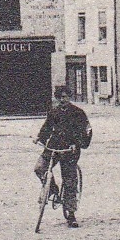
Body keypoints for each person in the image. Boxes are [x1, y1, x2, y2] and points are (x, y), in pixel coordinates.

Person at [35, 86, 93, 228]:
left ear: (70, 97)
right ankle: (53, 190)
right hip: (54, 146)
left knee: (70, 181)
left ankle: (71, 214)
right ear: (57, 98)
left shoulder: (78, 113)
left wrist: (77, 143)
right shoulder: (54, 112)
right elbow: (47, 128)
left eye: (65, 97)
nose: (63, 100)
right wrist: (39, 138)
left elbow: (86, 131)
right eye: (60, 97)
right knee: (39, 168)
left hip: (70, 150)